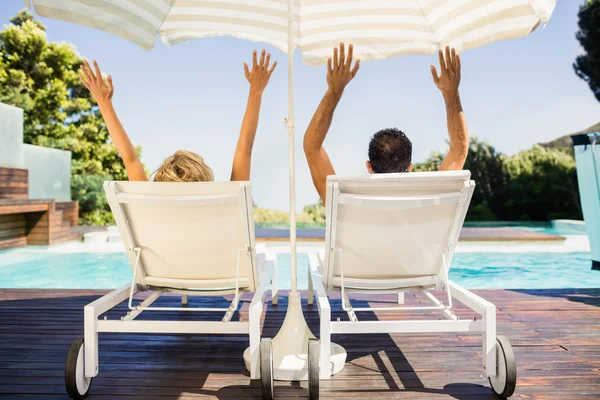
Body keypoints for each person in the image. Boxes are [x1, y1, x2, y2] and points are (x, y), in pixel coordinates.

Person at [303, 43, 469, 202]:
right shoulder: (432, 200)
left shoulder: (342, 200)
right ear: (409, 167)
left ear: (369, 166)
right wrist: (451, 94)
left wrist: (334, 91)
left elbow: (312, 146)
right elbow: (459, 150)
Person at [79, 50, 277, 182]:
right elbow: (245, 150)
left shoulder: (150, 207)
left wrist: (104, 103)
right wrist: (256, 92)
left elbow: (129, 159)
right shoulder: (224, 206)